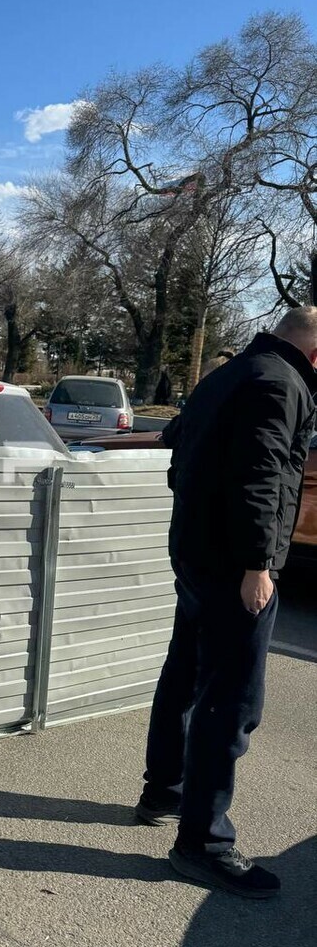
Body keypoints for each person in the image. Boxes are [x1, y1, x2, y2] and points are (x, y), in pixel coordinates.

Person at [136, 307, 317, 898]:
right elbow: (262, 475)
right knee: (232, 700)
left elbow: (175, 448)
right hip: (232, 564)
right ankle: (203, 845)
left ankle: (163, 789)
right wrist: (257, 564)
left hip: (193, 552)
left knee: (185, 674)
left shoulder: (228, 373)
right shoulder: (279, 382)